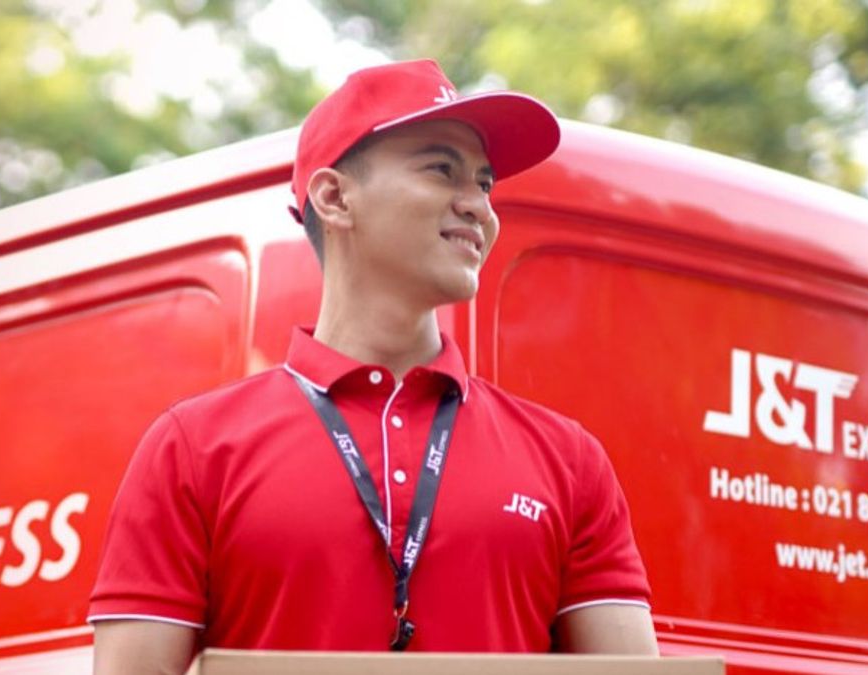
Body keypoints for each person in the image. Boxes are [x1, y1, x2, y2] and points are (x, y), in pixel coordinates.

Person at [89, 59, 658, 673]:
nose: (479, 207)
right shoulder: (192, 448)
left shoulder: (569, 460)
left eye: (485, 183)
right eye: (442, 169)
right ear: (335, 198)